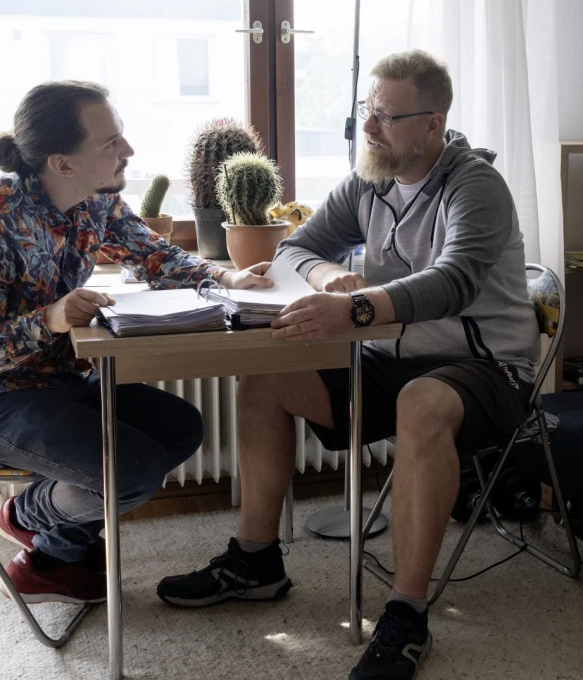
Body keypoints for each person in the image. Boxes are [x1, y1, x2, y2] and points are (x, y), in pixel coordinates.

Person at [157, 51, 539, 679]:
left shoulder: (475, 186)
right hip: (394, 357)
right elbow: (298, 244)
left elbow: (455, 282)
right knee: (267, 374)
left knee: (422, 401)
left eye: (386, 116)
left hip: (486, 367)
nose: (369, 128)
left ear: (432, 124)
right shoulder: (373, 178)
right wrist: (332, 272)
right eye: (367, 110)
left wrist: (355, 311)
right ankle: (255, 561)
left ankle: (407, 616)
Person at [0, 80, 271, 605]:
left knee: (182, 426)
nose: (127, 151)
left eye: (120, 136)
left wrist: (224, 280)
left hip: (50, 383)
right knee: (130, 469)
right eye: (110, 144)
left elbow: (150, 252)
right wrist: (50, 318)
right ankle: (33, 520)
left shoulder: (95, 201)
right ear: (61, 163)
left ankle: (50, 557)